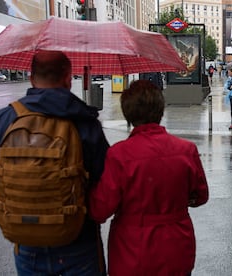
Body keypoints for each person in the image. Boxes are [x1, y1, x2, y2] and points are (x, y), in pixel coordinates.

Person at [0, 50, 109, 276]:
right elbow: (104, 178)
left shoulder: (2, 120)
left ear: (31, 77)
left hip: (27, 241)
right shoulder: (85, 122)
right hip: (78, 238)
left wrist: (16, 211)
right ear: (68, 78)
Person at [89, 80, 209, 276]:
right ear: (160, 110)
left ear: (128, 114)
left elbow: (101, 208)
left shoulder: (119, 155)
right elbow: (200, 196)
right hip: (177, 247)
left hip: (133, 251)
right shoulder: (186, 150)